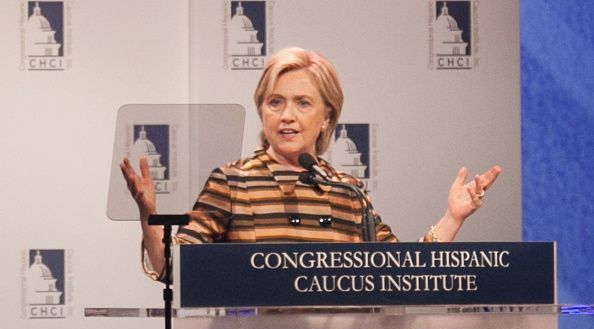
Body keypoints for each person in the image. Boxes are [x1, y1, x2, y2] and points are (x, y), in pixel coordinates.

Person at [120, 47, 501, 281]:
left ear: (326, 118)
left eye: (303, 103)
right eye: (275, 102)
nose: (287, 116)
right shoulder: (232, 182)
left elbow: (400, 272)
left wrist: (453, 217)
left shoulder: (346, 190)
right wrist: (148, 215)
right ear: (262, 111)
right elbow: (176, 271)